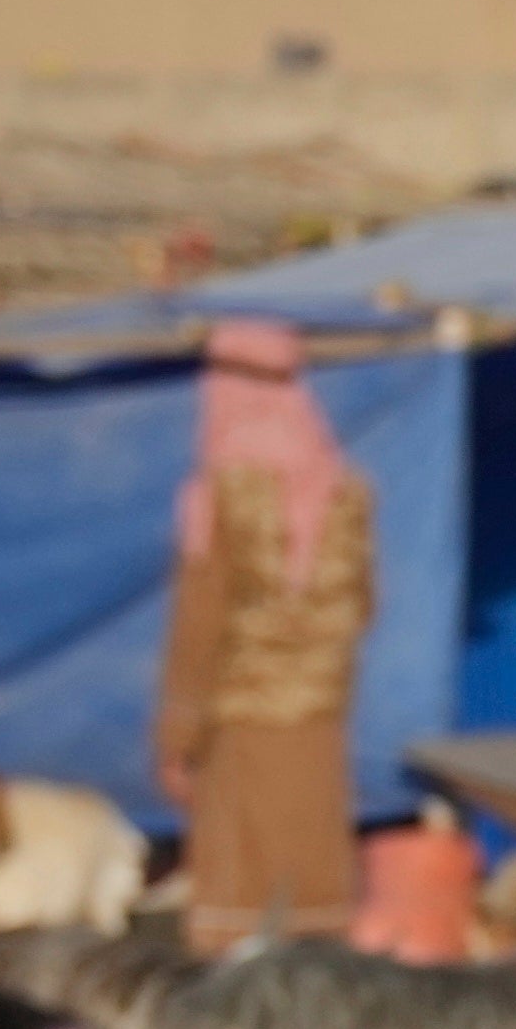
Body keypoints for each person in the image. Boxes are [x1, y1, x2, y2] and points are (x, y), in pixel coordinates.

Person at [153, 314, 376, 947]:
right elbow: (365, 604)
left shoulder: (217, 496)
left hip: (241, 724)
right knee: (314, 891)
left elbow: (200, 622)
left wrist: (177, 735)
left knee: (240, 904)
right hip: (319, 723)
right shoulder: (346, 494)